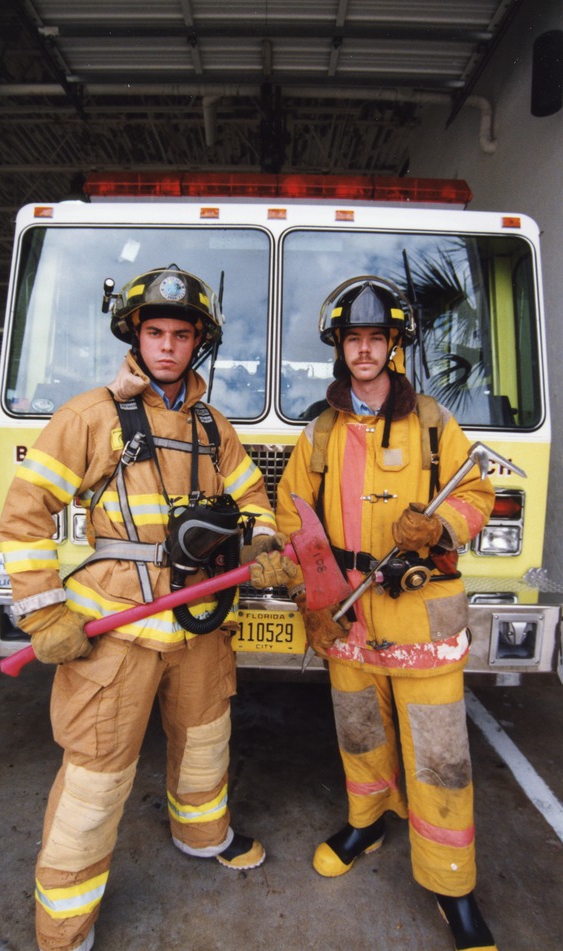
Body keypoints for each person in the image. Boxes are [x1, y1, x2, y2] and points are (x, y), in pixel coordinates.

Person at [0, 264, 296, 951]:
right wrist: (44, 613)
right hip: (118, 634)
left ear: (199, 343)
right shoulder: (92, 416)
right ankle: (65, 926)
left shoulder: (212, 426)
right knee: (96, 777)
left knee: (204, 745)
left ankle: (202, 835)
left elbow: (255, 503)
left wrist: (264, 545)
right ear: (136, 335)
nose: (166, 345)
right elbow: (24, 513)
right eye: (154, 331)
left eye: (180, 333)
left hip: (201, 624)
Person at [276, 276, 498, 951]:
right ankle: (367, 822)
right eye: (353, 339)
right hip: (350, 626)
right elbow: (294, 519)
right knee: (361, 736)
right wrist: (315, 603)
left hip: (423, 626)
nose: (364, 349)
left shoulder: (433, 423)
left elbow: (479, 495)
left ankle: (451, 883)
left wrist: (438, 530)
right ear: (340, 349)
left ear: (394, 345)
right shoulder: (318, 432)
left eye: (377, 337)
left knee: (439, 759)